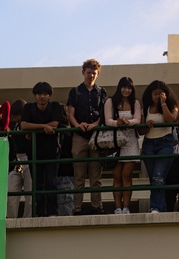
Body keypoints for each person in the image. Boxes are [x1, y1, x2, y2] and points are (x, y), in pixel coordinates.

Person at [66, 59, 107, 214]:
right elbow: (70, 113)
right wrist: (78, 125)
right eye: (89, 72)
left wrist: (96, 124)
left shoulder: (102, 92)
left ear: (98, 74)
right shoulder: (75, 91)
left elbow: (103, 113)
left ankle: (97, 206)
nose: (91, 75)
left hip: (96, 137)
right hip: (79, 136)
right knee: (79, 176)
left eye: (94, 73)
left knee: (96, 177)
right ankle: (77, 209)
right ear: (83, 72)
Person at [20, 82, 66, 217]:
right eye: (39, 94)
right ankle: (39, 212)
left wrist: (34, 127)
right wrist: (44, 127)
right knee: (37, 184)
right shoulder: (28, 108)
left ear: (49, 96)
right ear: (35, 95)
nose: (42, 97)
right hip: (34, 152)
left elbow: (55, 123)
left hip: (52, 151)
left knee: (51, 182)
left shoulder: (56, 106)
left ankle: (52, 212)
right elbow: (23, 125)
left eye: (45, 94)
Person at [103, 77, 142, 215]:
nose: (126, 90)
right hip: (115, 142)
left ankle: (126, 207)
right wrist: (116, 123)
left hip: (130, 140)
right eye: (124, 87)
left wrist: (128, 122)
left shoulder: (135, 102)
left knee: (127, 176)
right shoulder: (110, 101)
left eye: (129, 88)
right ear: (119, 88)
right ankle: (117, 208)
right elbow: (107, 120)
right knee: (117, 176)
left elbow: (138, 119)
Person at [140, 81, 179, 213]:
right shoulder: (146, 108)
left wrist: (163, 103)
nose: (157, 96)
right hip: (149, 144)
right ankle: (161, 208)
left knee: (158, 178)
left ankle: (155, 207)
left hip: (165, 143)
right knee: (155, 179)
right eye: (155, 94)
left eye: (160, 94)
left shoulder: (172, 106)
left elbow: (171, 120)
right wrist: (146, 125)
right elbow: (140, 132)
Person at [7, 99, 32, 218]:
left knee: (30, 195)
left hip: (29, 160)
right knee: (11, 191)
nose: (16, 118)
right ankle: (11, 218)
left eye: (18, 115)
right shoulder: (13, 127)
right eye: (14, 116)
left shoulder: (31, 125)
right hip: (17, 162)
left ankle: (29, 219)